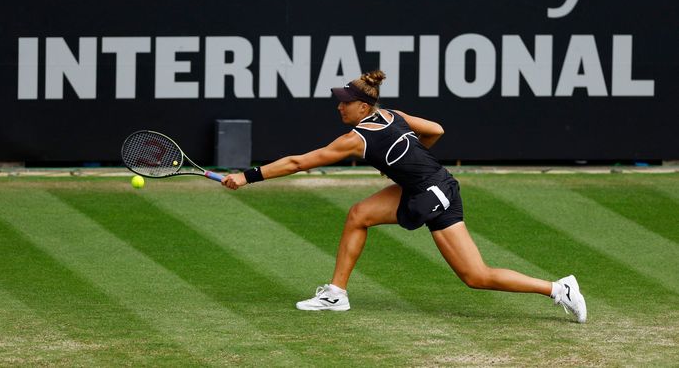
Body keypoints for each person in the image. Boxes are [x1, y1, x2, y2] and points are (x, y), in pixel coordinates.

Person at [221, 70, 587, 323]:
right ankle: (336, 293)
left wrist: (247, 176)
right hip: (420, 185)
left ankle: (558, 288)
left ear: (363, 107)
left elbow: (301, 161)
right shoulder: (393, 116)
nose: (339, 106)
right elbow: (436, 130)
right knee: (359, 214)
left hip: (435, 194)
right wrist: (405, 161)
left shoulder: (356, 139)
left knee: (475, 276)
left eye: (345, 102)